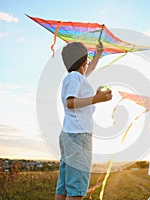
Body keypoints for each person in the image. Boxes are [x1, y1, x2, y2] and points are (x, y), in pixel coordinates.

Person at [55, 42, 112, 200]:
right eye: (87, 61)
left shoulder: (75, 77)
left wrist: (98, 54)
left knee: (65, 186)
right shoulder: (75, 78)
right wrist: (97, 99)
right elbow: (70, 102)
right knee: (76, 186)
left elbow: (90, 69)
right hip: (79, 136)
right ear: (83, 62)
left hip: (70, 135)